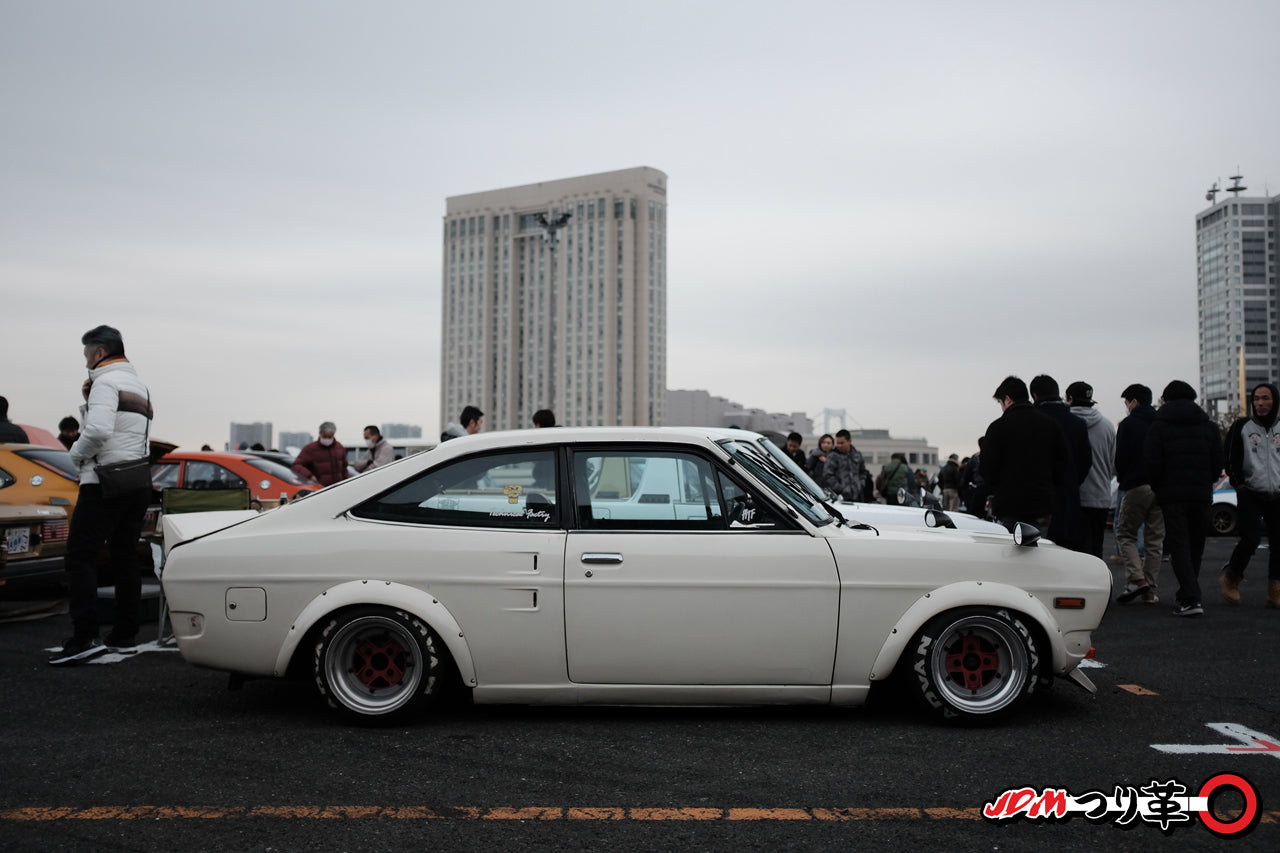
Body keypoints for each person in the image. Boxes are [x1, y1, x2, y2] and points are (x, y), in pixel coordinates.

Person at [49, 325, 154, 666]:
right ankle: (124, 635)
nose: (86, 363)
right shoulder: (139, 385)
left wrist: (76, 456)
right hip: (136, 480)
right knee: (125, 557)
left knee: (80, 555)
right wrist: (88, 400)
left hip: (104, 480)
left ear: (98, 353)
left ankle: (85, 637)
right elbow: (125, 430)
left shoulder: (105, 383)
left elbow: (98, 430)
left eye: (86, 356)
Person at [1145, 380, 1223, 617]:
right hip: (1201, 494)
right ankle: (1188, 593)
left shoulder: (1158, 426)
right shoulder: (1208, 427)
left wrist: (1159, 487)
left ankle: (1190, 598)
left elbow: (1151, 463)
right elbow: (1217, 464)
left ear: (1166, 399)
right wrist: (1205, 482)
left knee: (1178, 545)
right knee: (1196, 545)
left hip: (1172, 495)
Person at [980, 376, 1070, 535]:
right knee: (1040, 548)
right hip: (1042, 501)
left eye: (1000, 403)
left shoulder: (998, 427)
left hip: (1009, 503)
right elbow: (1062, 463)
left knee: (1011, 550)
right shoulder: (1050, 424)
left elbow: (987, 468)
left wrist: (997, 489)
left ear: (1007, 399)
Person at [1220, 382, 1280, 609]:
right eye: (1256, 399)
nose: (1261, 403)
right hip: (1250, 492)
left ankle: (1275, 589)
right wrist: (1240, 485)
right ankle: (1231, 576)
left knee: (1279, 543)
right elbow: (1230, 459)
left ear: (1275, 400)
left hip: (1277, 493)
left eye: (1266, 398)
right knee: (1251, 538)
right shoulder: (1241, 427)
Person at [1113, 383, 1165, 605]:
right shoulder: (1162, 423)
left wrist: (1124, 479)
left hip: (1136, 485)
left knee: (1125, 534)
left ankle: (1137, 579)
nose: (1126, 407)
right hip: (1162, 487)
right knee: (1155, 540)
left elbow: (1121, 458)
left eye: (1126, 403)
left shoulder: (1128, 424)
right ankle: (1150, 590)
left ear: (1133, 402)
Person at [1029, 375, 1091, 551]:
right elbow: (1086, 460)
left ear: (1034, 395)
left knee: (1037, 548)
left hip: (1038, 497)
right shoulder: (1078, 423)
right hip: (1068, 494)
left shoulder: (1034, 420)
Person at [1065, 381, 1117, 558]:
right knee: (1096, 549)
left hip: (1073, 497)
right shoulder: (1107, 426)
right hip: (1100, 497)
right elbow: (1113, 464)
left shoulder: (1065, 424)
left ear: (1069, 398)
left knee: (1071, 552)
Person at [291, 422, 348, 486]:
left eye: (330, 436)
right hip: (319, 489)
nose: (327, 439)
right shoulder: (310, 449)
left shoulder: (339, 448)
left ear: (334, 434)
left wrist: (346, 483)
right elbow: (296, 465)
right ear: (320, 434)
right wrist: (310, 476)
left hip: (337, 488)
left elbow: (344, 469)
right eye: (324, 436)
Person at [822, 429, 866, 502]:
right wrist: (841, 489)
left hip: (857, 496)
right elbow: (828, 475)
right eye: (838, 443)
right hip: (839, 497)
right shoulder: (833, 456)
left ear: (849, 441)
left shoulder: (857, 455)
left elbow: (863, 472)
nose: (839, 445)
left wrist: (860, 485)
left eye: (842, 443)